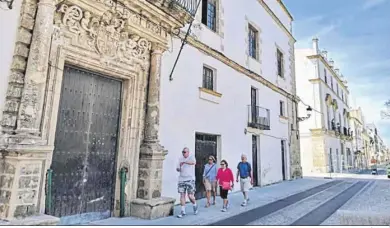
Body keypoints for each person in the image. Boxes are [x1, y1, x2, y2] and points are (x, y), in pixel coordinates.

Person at [176, 147, 198, 218]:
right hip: (181, 179)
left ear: (188, 152)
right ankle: (183, 211)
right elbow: (177, 168)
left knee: (190, 196)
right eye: (182, 152)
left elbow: (194, 163)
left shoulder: (191, 157)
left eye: (184, 152)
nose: (183, 153)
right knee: (182, 195)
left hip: (190, 179)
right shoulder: (180, 158)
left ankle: (194, 205)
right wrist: (178, 169)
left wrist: (185, 162)